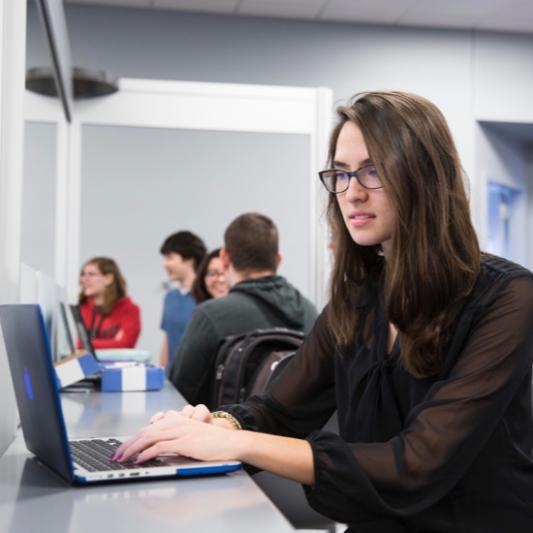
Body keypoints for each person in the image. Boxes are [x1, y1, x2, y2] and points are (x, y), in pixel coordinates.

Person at [114, 92, 533, 532]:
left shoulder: (508, 298)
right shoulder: (357, 302)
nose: (351, 193)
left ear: (423, 177)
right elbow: (279, 410)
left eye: (373, 172)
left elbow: (416, 463)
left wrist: (235, 444)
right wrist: (218, 422)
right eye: (341, 174)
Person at [168, 212, 318, 406]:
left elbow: (180, 394)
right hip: (299, 435)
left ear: (224, 257)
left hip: (227, 432)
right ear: (278, 259)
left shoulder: (210, 316)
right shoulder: (310, 312)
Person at [159, 231, 207, 373]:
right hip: (173, 379)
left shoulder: (208, 296)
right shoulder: (170, 297)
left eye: (170, 258)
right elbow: (168, 339)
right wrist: (162, 373)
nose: (164, 264)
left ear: (189, 260)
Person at [78, 256, 141, 349]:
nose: (84, 279)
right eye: (83, 274)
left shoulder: (130, 310)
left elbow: (125, 344)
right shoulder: (83, 308)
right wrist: (113, 342)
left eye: (91, 274)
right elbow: (79, 344)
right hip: (87, 363)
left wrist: (87, 343)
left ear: (108, 279)